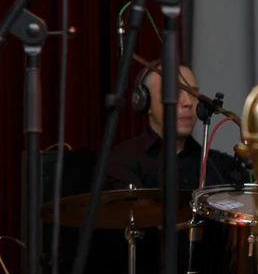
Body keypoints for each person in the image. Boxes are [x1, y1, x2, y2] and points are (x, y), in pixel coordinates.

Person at [105, 64, 245, 191]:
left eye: (193, 93)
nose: (188, 102)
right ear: (145, 102)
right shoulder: (123, 159)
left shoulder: (219, 165)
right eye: (174, 93)